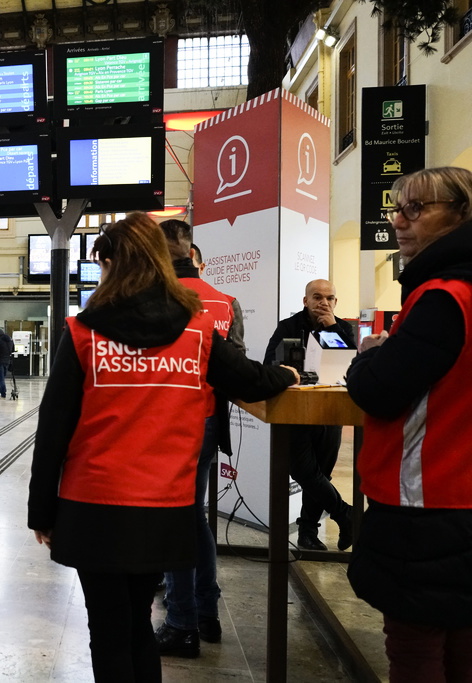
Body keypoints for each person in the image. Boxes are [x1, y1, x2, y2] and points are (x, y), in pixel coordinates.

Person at [27, 214, 298, 682]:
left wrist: (41, 512)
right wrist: (288, 374)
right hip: (165, 507)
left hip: (94, 506)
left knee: (108, 630)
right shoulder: (195, 332)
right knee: (139, 625)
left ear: (110, 263)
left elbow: (53, 430)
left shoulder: (81, 334)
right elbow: (251, 380)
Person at [346, 166, 472, 682]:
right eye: (397, 208)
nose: (399, 220)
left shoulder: (444, 297)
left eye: (416, 209)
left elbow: (379, 391)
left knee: (415, 649)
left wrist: (368, 357)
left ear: (460, 213)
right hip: (458, 495)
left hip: (426, 501)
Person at [154, 219, 246, 657]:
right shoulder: (227, 302)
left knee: (177, 519)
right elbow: (237, 367)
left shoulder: (161, 300)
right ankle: (204, 613)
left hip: (172, 421)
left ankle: (182, 620)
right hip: (210, 417)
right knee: (193, 516)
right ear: (193, 254)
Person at [263, 279, 355, 551]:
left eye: (330, 298)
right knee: (303, 470)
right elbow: (270, 362)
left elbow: (352, 364)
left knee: (321, 473)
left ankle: (307, 534)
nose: (324, 302)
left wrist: (332, 329)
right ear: (306, 300)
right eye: (317, 297)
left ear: (336, 302)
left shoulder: (342, 328)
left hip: (330, 412)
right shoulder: (288, 327)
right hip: (296, 413)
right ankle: (346, 515)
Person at [0, 327, 14, 398]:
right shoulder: (10, 341)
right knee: (2, 377)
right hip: (7, 361)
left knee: (1, 379)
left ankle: (3, 393)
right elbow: (12, 350)